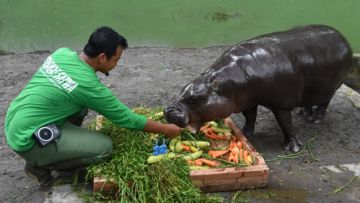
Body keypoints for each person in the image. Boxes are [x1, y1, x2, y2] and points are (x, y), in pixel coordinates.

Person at [4, 26, 182, 186]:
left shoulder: (62, 53)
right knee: (104, 148)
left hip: (15, 119)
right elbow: (127, 119)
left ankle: (53, 151)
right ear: (102, 57)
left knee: (80, 107)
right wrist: (165, 129)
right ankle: (41, 166)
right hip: (26, 139)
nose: (116, 64)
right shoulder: (88, 86)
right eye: (116, 60)